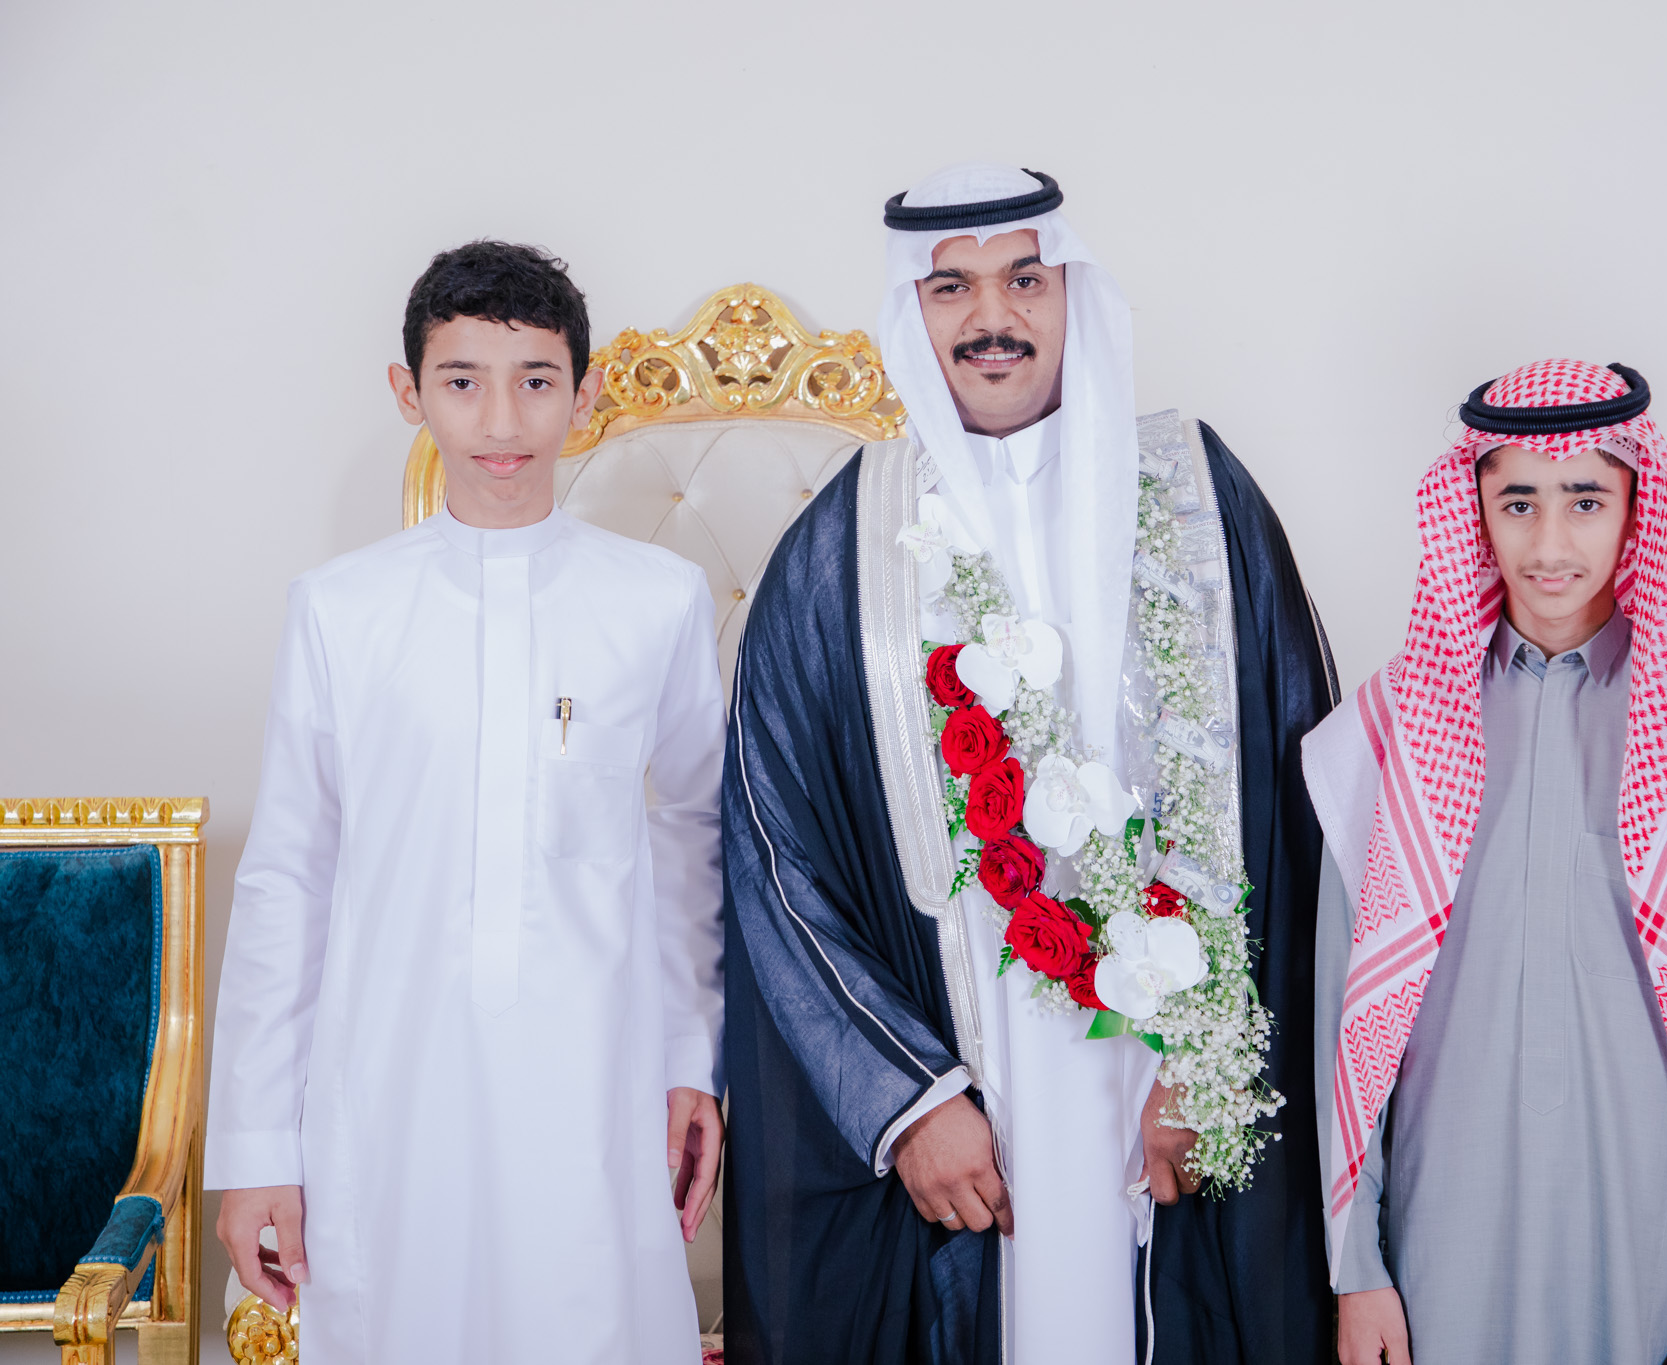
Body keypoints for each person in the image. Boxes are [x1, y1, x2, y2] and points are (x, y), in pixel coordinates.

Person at [719, 165, 1336, 1364]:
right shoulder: (843, 546)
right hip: (966, 1087)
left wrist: (1209, 1066)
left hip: (1169, 1087)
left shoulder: (1198, 497)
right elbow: (771, 853)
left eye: (1022, 280)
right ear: (911, 311)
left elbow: (1297, 804)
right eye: (949, 287)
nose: (989, 317)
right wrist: (907, 1102)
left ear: (1071, 295)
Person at [1303, 359, 1667, 1363]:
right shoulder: (1388, 731)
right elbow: (1339, 1025)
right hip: (1439, 1248)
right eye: (1517, 503)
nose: (1548, 544)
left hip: (1645, 1251)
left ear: (1636, 510)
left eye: (1585, 501)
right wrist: (1356, 1269)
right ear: (1474, 512)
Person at [206, 240, 727, 1363]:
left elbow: (698, 835)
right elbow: (289, 872)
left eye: (536, 380)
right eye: (462, 380)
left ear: (584, 394)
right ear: (410, 393)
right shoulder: (341, 610)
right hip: (390, 1080)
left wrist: (694, 1055)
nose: (502, 420)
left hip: (597, 1080)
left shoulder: (658, 601)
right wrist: (255, 1146)